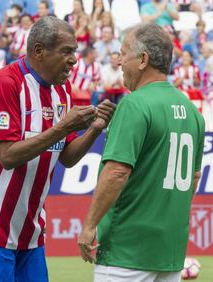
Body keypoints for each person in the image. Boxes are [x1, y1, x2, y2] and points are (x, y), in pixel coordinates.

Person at [0, 16, 115, 282]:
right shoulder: (6, 83)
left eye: (74, 52)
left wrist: (95, 128)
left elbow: (67, 156)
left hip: (29, 232)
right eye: (66, 51)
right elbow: (7, 156)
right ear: (39, 51)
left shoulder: (61, 91)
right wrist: (62, 128)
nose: (74, 60)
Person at [78, 22, 205, 282]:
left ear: (143, 59)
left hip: (127, 249)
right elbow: (193, 178)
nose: (120, 61)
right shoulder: (193, 112)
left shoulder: (134, 104)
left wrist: (90, 225)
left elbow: (116, 172)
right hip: (169, 251)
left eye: (124, 53)